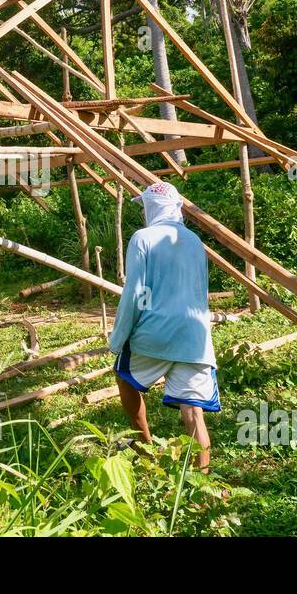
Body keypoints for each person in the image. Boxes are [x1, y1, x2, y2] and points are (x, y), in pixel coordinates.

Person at [108, 181, 219, 471]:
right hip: (195, 337)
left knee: (124, 376)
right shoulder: (195, 242)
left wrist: (118, 339)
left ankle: (145, 447)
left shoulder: (142, 238)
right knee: (194, 412)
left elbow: (135, 293)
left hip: (153, 334)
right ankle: (201, 479)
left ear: (151, 208)